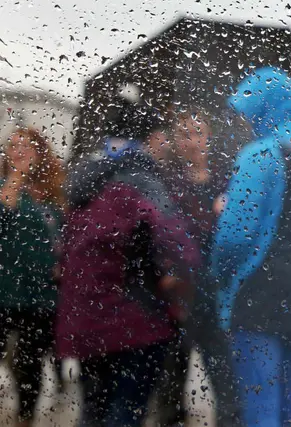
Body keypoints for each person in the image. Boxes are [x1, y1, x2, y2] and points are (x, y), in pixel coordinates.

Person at [56, 95, 199, 427]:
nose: (166, 143)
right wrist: (182, 278)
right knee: (126, 409)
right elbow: (181, 247)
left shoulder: (84, 178)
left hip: (86, 315)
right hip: (136, 316)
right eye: (162, 135)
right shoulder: (142, 179)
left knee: (93, 408)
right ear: (149, 138)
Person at [211, 67, 291, 427]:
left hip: (258, 289)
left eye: (249, 111)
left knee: (260, 400)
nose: (245, 121)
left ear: (264, 108)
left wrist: (220, 277)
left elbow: (235, 237)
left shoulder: (259, 156)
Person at [152, 110, 242, 427]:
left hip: (217, 290)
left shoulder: (227, 179)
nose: (192, 141)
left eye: (198, 133)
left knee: (224, 375)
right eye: (184, 134)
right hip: (178, 291)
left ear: (209, 137)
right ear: (175, 141)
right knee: (172, 375)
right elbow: (159, 233)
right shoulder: (165, 181)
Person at [0, 127, 65, 427]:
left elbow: (64, 234)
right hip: (4, 289)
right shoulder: (5, 188)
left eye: (26, 146)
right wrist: (15, 177)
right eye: (13, 146)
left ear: (40, 153)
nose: (19, 151)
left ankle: (25, 418)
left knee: (30, 362)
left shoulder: (52, 195)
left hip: (41, 294)